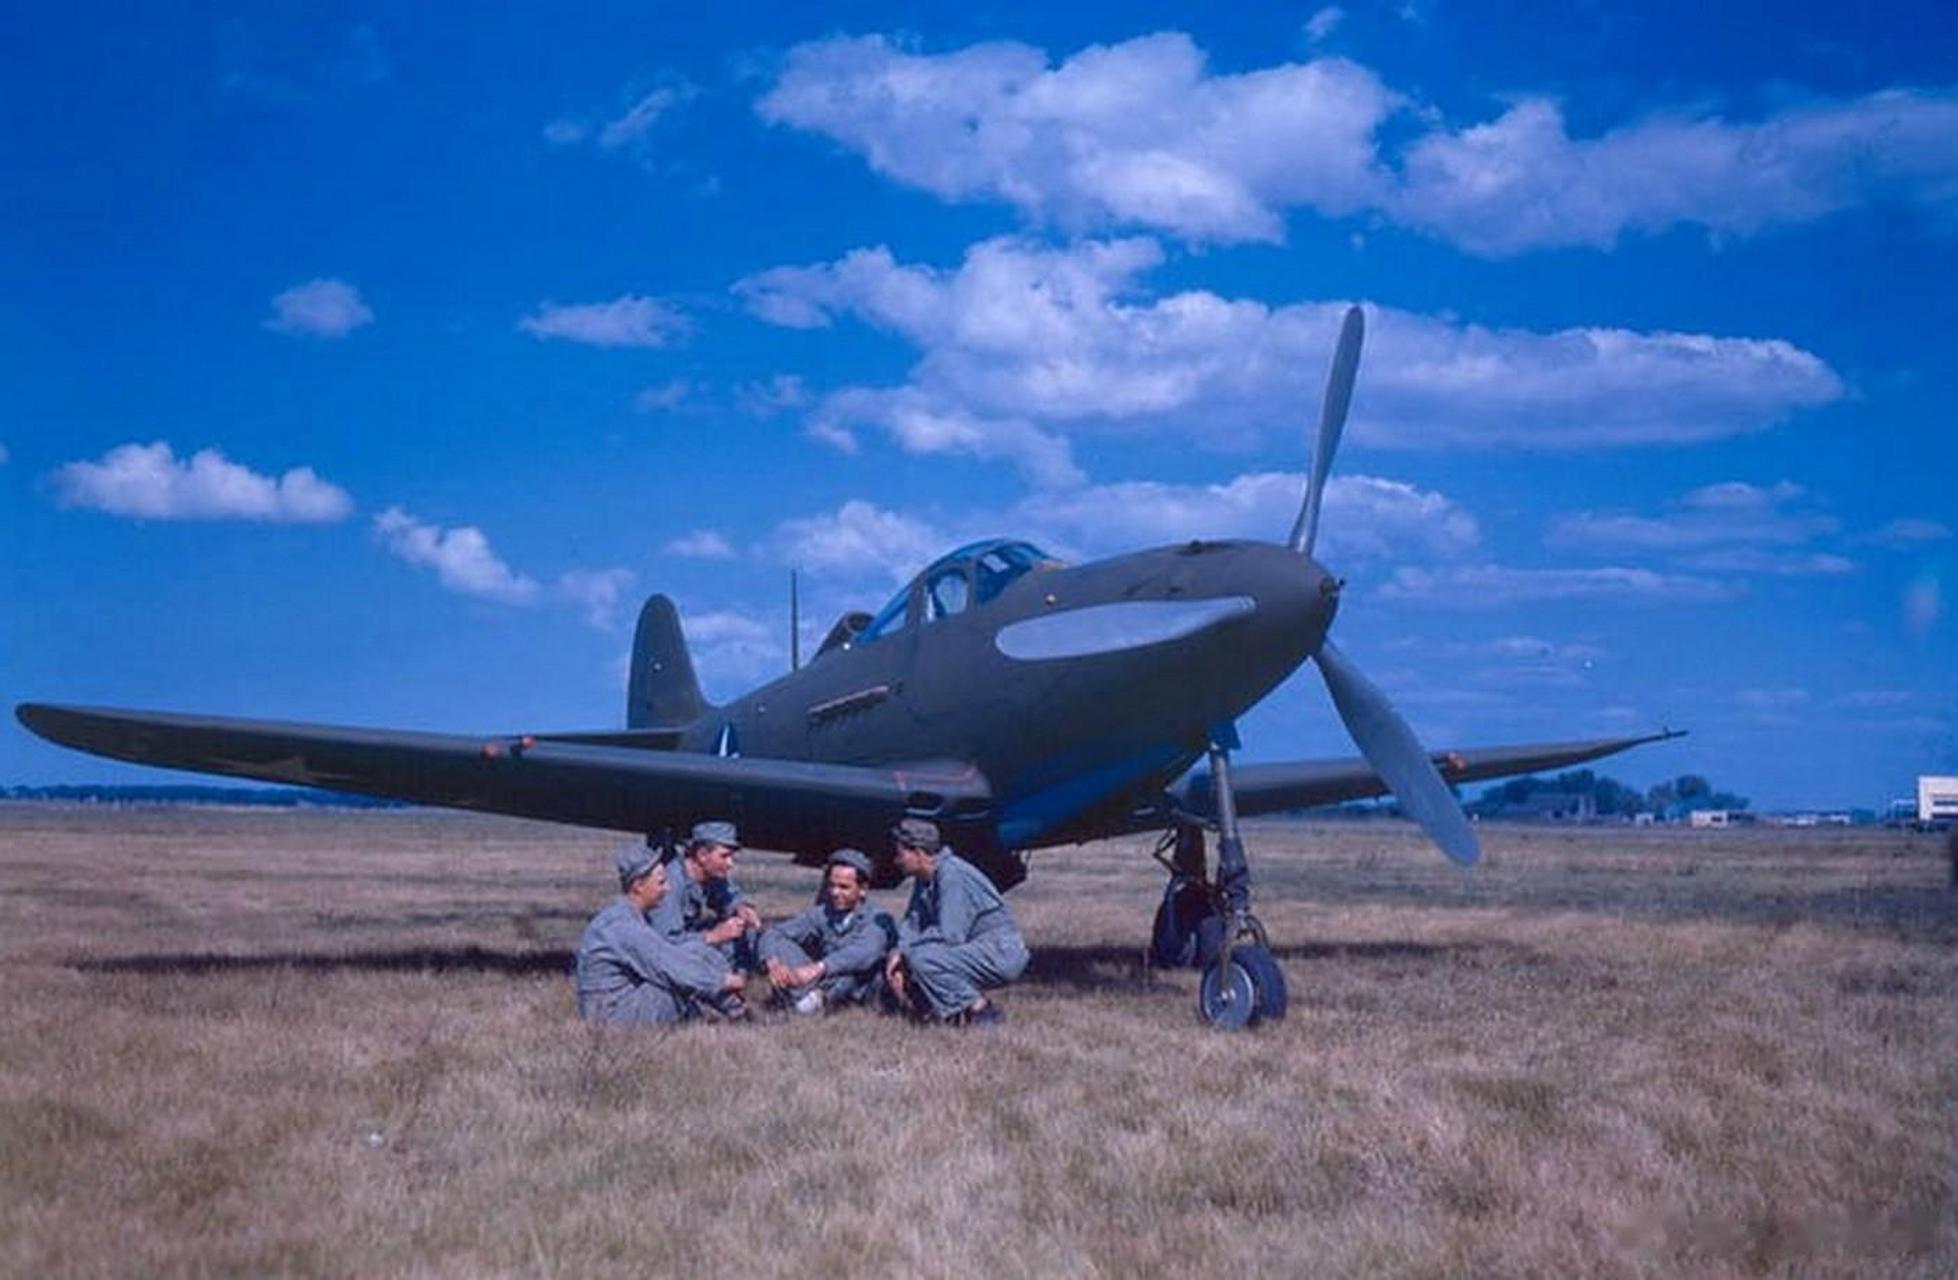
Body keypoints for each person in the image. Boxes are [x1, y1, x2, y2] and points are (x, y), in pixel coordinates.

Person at [574, 843, 746, 1026]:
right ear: (639, 886)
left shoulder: (627, 916)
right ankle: (736, 1014)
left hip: (619, 1004)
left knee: (695, 951)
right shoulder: (623, 926)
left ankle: (736, 1011)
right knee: (680, 980)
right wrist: (724, 981)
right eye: (661, 882)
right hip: (610, 1015)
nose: (668, 888)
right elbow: (669, 967)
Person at [885, 818, 1029, 1026]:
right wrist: (898, 952)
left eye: (900, 854)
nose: (896, 861)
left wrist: (907, 953)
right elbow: (913, 923)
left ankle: (981, 1011)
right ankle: (934, 1010)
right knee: (916, 955)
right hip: (976, 949)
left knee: (924, 959)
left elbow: (950, 935)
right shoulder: (925, 878)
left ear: (918, 852)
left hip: (1000, 952)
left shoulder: (952, 874)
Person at [758, 848, 894, 1015]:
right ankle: (804, 999)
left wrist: (820, 968)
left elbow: (864, 954)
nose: (835, 893)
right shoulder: (822, 913)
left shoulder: (878, 919)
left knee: (855, 971)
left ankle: (809, 1000)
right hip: (825, 979)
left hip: (860, 987)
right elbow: (774, 932)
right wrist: (773, 962)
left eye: (844, 887)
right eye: (832, 885)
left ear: (863, 889)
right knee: (780, 944)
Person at [649, 820, 763, 970]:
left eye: (732, 857)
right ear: (702, 855)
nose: (730, 864)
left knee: (743, 935)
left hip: (685, 940)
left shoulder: (710, 874)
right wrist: (713, 936)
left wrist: (741, 908)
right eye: (724, 856)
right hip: (663, 954)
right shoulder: (671, 884)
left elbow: (728, 894)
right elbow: (666, 944)